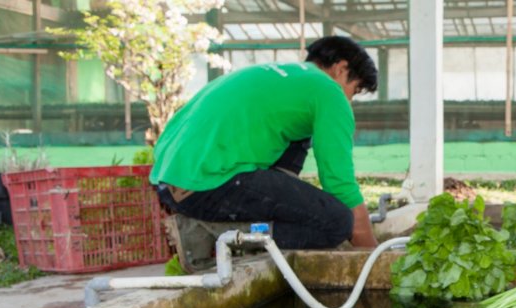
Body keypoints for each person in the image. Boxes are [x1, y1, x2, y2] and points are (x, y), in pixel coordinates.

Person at [151, 36, 379, 272]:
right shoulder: (329, 91)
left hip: (170, 183)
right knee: (338, 222)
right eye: (355, 90)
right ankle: (214, 232)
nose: (350, 100)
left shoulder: (279, 76)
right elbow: (340, 185)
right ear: (341, 69)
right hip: (206, 187)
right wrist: (375, 256)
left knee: (301, 135)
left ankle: (243, 225)